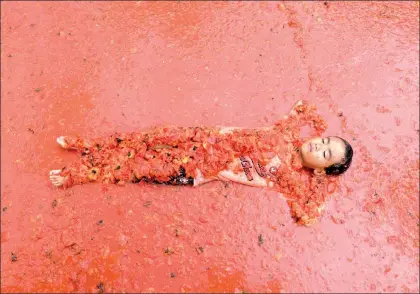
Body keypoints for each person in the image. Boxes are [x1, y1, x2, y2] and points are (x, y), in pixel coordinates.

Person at [49, 101, 353, 226]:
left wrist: (324, 183)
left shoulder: (290, 179)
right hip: (199, 137)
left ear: (321, 169)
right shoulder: (287, 135)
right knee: (146, 139)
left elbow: (307, 214)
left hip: (196, 170)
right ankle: (86, 145)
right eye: (326, 142)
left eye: (325, 154)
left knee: (137, 167)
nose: (319, 145)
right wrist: (311, 123)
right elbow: (304, 109)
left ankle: (77, 176)